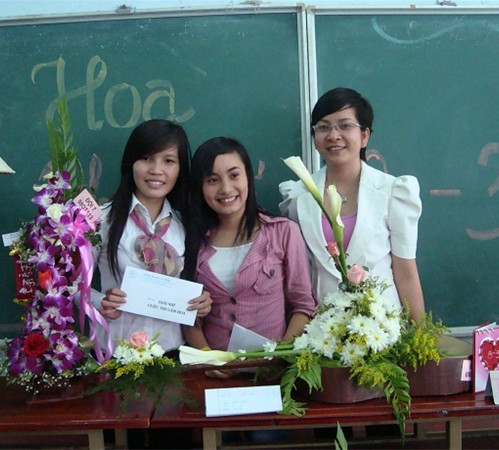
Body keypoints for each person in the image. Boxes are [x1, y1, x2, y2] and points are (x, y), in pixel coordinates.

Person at [279, 87, 425, 321]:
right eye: (323, 127)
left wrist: (420, 335)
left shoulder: (392, 192)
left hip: (382, 327)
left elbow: (405, 271)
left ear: (364, 135)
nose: (333, 135)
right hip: (321, 328)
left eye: (345, 126)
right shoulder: (298, 196)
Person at [182, 136, 317, 378]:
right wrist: (208, 359)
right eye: (212, 180)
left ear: (248, 177)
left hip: (273, 374)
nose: (225, 189)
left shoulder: (283, 231)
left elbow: (303, 304)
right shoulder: (191, 240)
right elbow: (187, 314)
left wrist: (281, 356)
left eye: (234, 175)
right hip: (214, 376)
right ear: (200, 187)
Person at [91, 119, 212, 353]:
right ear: (130, 163)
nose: (156, 170)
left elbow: (195, 285)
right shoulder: (101, 220)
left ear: (180, 169)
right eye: (146, 158)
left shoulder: (187, 226)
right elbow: (71, 286)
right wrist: (100, 301)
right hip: (115, 354)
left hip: (172, 354)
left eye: (169, 161)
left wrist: (202, 302)